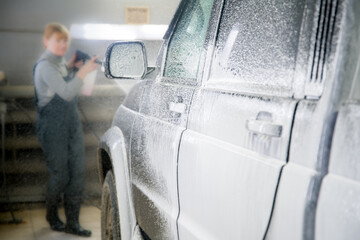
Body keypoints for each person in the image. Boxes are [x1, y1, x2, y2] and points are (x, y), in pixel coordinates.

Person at [33, 23, 98, 237]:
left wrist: (71, 68)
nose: (62, 44)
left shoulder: (59, 63)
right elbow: (66, 93)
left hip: (71, 125)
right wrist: (83, 71)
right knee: (61, 175)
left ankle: (73, 223)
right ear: (46, 41)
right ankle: (52, 216)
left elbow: (63, 82)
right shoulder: (44, 66)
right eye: (57, 40)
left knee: (77, 174)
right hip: (52, 127)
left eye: (64, 41)